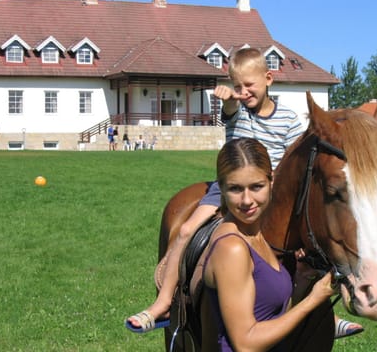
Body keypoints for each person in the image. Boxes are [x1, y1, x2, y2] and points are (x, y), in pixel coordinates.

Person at [125, 47, 362, 338]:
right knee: (187, 229)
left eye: (249, 85)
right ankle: (163, 302)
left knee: (304, 245)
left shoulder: (287, 118)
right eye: (237, 85)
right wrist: (228, 99)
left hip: (270, 190)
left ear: (268, 79)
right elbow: (230, 111)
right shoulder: (237, 113)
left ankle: (325, 312)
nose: (244, 91)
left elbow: (292, 157)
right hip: (230, 190)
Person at [203, 137, 334, 351]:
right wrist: (313, 300)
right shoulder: (232, 248)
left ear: (271, 181)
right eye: (235, 189)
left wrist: (300, 283)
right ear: (222, 188)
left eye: (257, 186)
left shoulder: (254, 233)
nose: (247, 200)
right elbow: (245, 343)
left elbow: (270, 318)